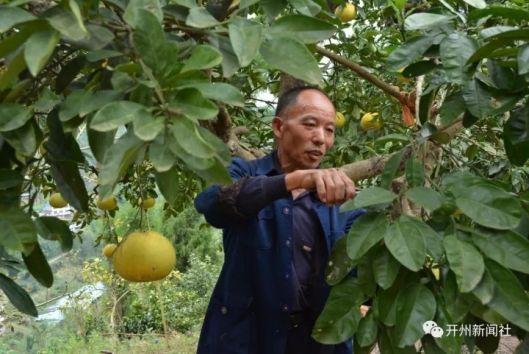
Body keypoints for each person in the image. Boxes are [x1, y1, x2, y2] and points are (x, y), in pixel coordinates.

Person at [194, 86, 365, 354]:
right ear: (278, 127)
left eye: (329, 130)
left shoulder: (340, 199)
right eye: (310, 124)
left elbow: (360, 265)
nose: (321, 138)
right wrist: (295, 180)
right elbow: (212, 204)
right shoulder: (245, 172)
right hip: (248, 339)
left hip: (314, 343)